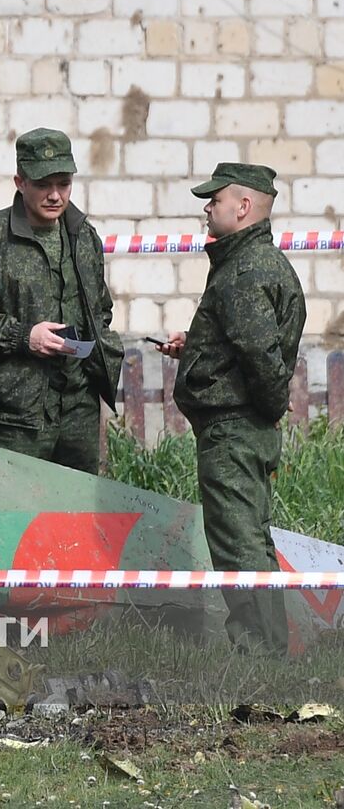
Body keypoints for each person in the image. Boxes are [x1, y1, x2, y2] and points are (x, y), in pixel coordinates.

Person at [157, 163, 305, 655]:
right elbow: (245, 343)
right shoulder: (256, 263)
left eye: (214, 200)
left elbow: (262, 359)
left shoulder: (242, 271)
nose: (206, 207)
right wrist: (196, 346)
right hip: (244, 426)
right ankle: (270, 648)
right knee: (252, 540)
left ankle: (260, 655)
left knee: (239, 546)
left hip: (234, 429)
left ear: (242, 207)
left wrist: (265, 408)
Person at [0, 129, 124, 473]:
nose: (54, 195)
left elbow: (100, 309)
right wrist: (24, 337)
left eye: (63, 184)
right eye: (43, 185)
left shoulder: (83, 237)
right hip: (14, 414)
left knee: (76, 517)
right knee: (10, 516)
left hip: (78, 407)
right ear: (20, 182)